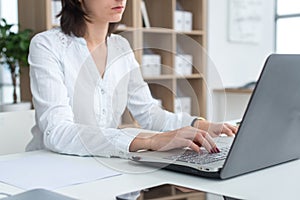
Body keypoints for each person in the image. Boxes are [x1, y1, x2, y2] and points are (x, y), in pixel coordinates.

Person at [26, 0, 237, 157]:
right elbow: (57, 132)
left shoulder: (121, 48)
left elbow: (149, 113)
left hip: (102, 166)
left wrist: (199, 125)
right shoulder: (47, 45)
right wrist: (148, 140)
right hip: (52, 169)